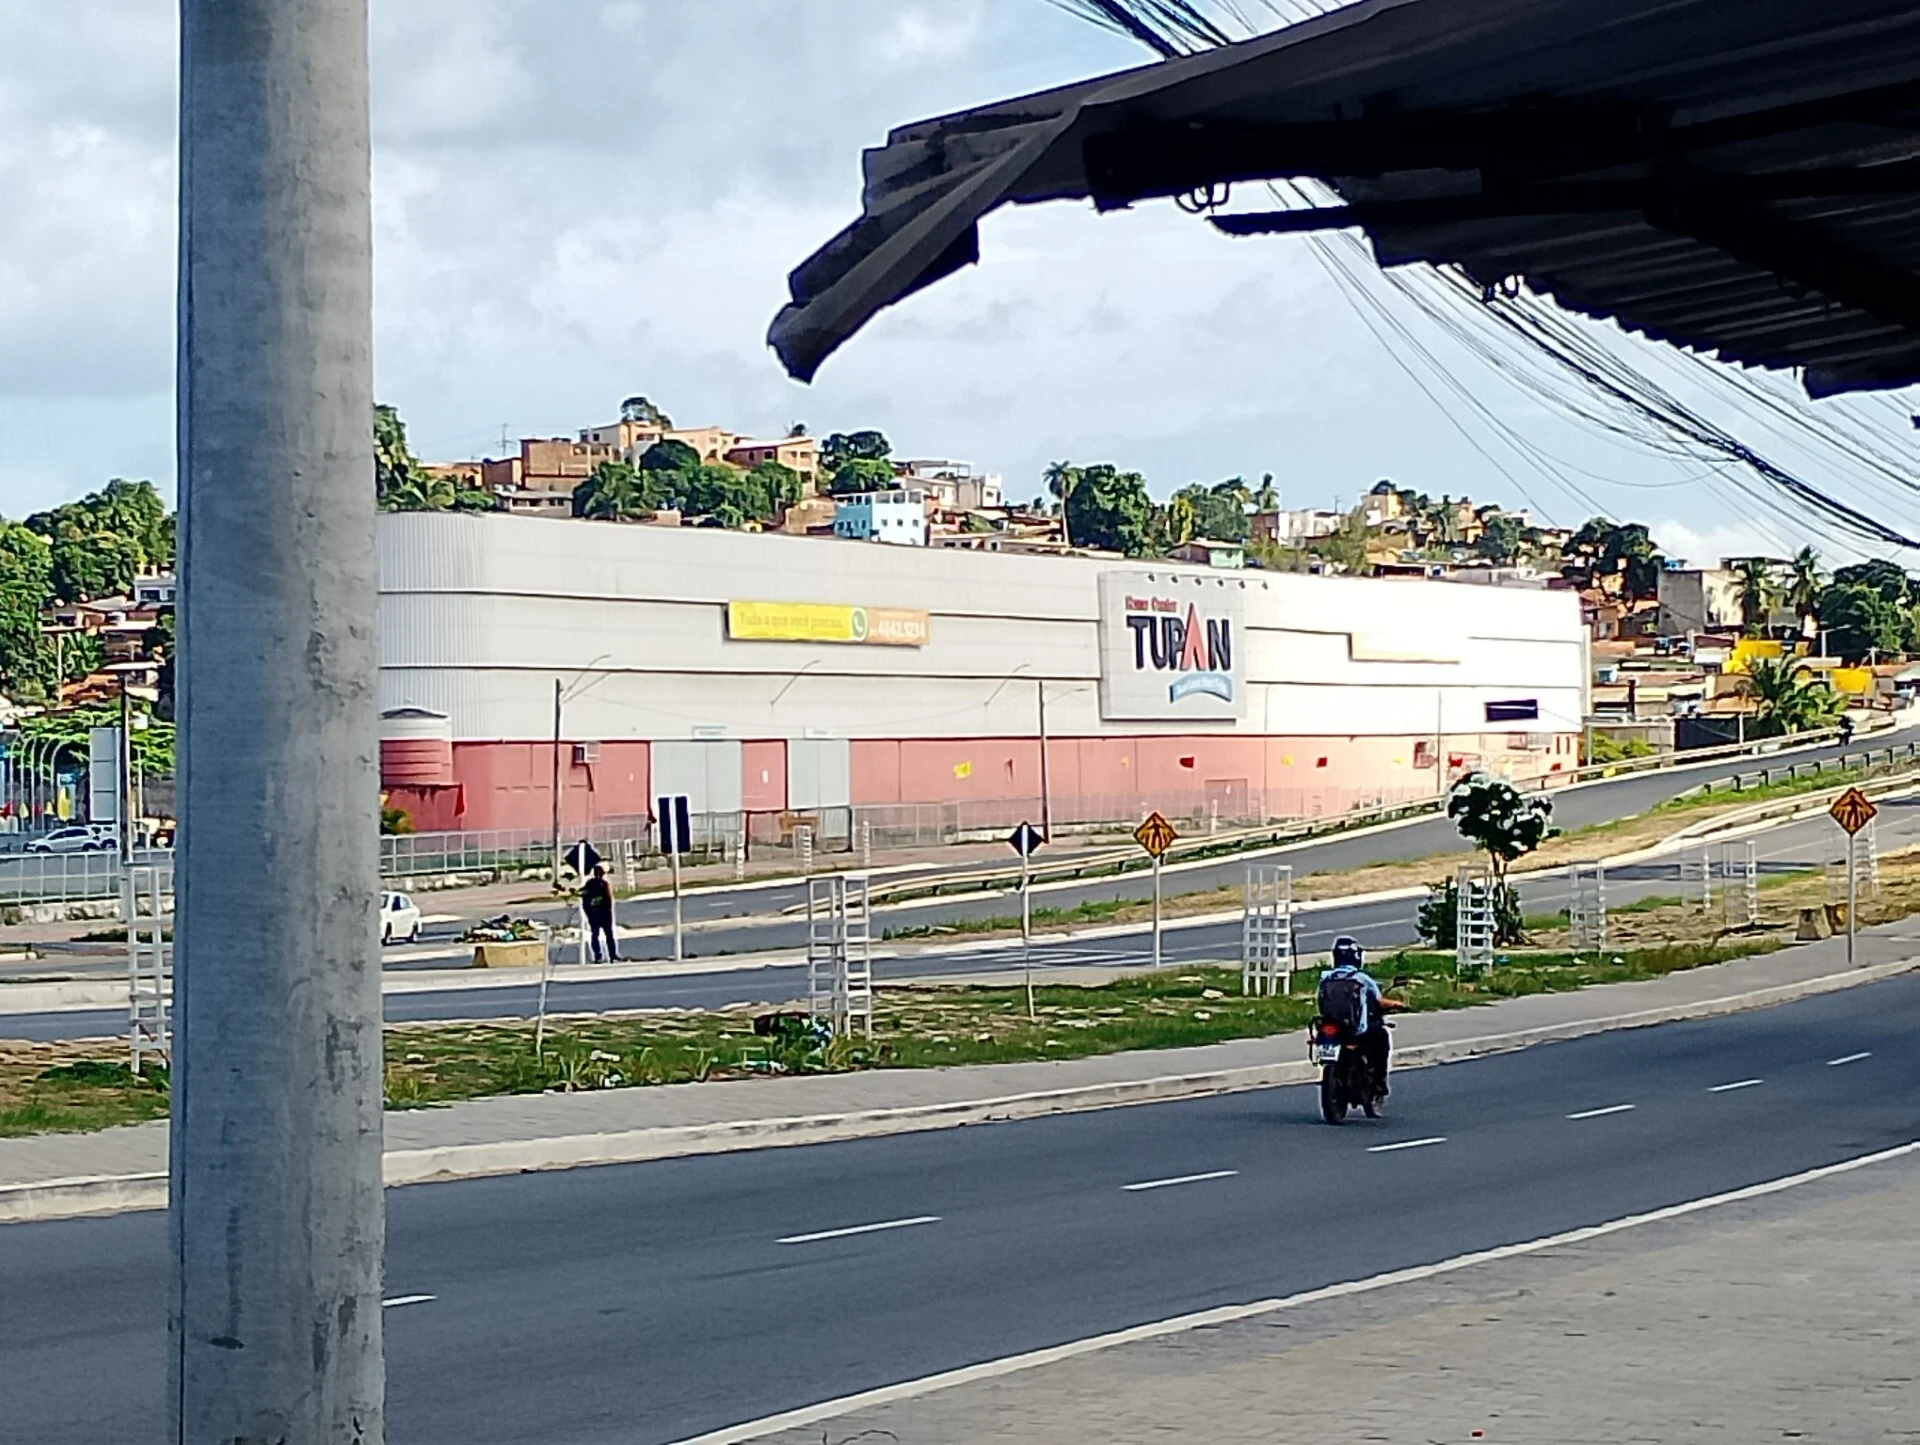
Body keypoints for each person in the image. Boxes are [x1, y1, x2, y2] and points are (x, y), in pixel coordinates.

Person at [1318, 936, 1404, 1099]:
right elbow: (1380, 1002)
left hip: (1331, 1027)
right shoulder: (1361, 978)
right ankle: (1379, 1081)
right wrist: (1396, 1004)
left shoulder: (1326, 978)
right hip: (1356, 1030)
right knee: (1381, 1038)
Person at [581, 863, 619, 963]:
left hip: (596, 914)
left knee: (597, 935)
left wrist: (588, 912)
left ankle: (601, 956)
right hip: (603, 914)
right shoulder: (603, 884)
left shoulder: (590, 884)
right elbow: (609, 901)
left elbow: (585, 900)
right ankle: (611, 955)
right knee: (607, 935)